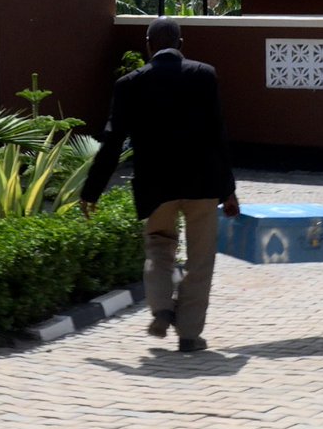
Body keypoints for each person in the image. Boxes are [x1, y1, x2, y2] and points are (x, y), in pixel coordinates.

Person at [81, 17, 239, 353]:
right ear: (181, 44)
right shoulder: (204, 75)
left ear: (148, 44)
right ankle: (189, 335)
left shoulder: (129, 84)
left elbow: (112, 141)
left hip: (156, 188)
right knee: (200, 260)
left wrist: (91, 191)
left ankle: (162, 309)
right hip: (202, 185)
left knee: (158, 248)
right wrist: (229, 189)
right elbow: (218, 134)